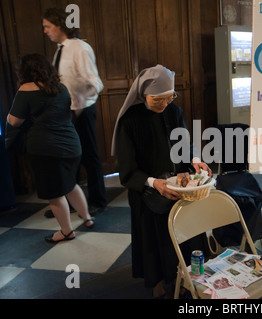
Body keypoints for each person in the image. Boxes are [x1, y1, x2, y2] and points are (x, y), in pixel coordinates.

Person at [111, 65, 213, 298]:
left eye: (169, 98)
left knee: (187, 235)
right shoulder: (130, 121)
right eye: (159, 100)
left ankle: (189, 279)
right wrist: (154, 182)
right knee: (155, 245)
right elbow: (127, 169)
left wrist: (195, 159)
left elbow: (184, 143)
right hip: (147, 192)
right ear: (143, 94)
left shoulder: (174, 112)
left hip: (178, 188)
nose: (164, 105)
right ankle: (159, 285)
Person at [7, 54, 94, 243]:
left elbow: (14, 121)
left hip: (46, 149)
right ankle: (87, 218)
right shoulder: (60, 88)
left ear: (25, 71)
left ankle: (66, 231)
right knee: (70, 184)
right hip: (72, 145)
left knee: (55, 194)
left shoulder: (25, 89)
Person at [42, 8, 107, 216]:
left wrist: (80, 99)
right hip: (65, 112)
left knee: (89, 156)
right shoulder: (60, 49)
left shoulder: (80, 48)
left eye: (47, 26)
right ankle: (70, 202)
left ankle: (98, 200)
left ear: (59, 26)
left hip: (83, 110)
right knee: (69, 158)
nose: (45, 31)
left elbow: (96, 82)